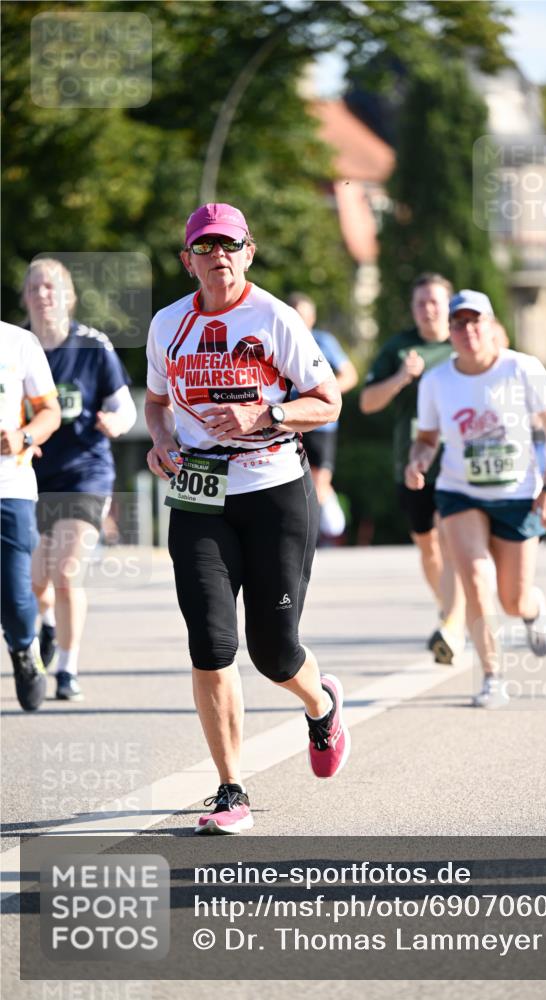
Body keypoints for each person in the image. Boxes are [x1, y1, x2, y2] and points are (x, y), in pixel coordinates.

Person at [145, 202, 350, 835]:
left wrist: (267, 416)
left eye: (230, 245)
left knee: (273, 652)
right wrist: (161, 441)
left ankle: (320, 704)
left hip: (273, 490)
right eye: (205, 247)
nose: (219, 257)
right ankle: (230, 790)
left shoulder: (274, 318)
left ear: (249, 253)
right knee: (210, 645)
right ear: (188, 260)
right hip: (200, 494)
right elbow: (156, 403)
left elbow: (328, 402)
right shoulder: (167, 324)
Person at [405, 290, 546, 709]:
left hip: (517, 495)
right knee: (476, 579)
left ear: (492, 325)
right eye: (458, 323)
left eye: (476, 321)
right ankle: (492, 677)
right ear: (450, 332)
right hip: (460, 492)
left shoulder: (522, 368)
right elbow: (427, 438)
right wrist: (418, 460)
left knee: (513, 600)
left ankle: (532, 609)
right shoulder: (436, 381)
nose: (468, 331)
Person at [22, 258, 137, 701]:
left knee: (66, 572)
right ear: (25, 297)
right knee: (36, 580)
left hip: (86, 472)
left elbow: (124, 406)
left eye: (50, 286)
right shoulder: (14, 347)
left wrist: (116, 422)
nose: (42, 294)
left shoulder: (92, 345)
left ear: (67, 296)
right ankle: (48, 621)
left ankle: (67, 670)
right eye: (34, 287)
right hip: (28, 476)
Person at [360, 273, 465, 664]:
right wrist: (402, 377)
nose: (428, 309)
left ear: (448, 305)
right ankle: (449, 609)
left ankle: (452, 624)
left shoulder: (463, 342)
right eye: (421, 302)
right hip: (412, 462)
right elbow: (367, 402)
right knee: (428, 545)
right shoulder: (399, 348)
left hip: (457, 461)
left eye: (435, 301)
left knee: (450, 538)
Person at [0, 320, 61, 711]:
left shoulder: (18, 342)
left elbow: (50, 412)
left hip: (9, 487)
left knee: (14, 596)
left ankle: (24, 647)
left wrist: (24, 437)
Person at [286, 292, 357, 539]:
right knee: (293, 482)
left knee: (318, 483)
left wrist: (324, 394)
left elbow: (350, 375)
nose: (300, 321)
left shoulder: (323, 341)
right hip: (288, 422)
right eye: (295, 315)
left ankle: (314, 535)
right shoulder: (278, 340)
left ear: (313, 318)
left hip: (320, 425)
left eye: (304, 316)